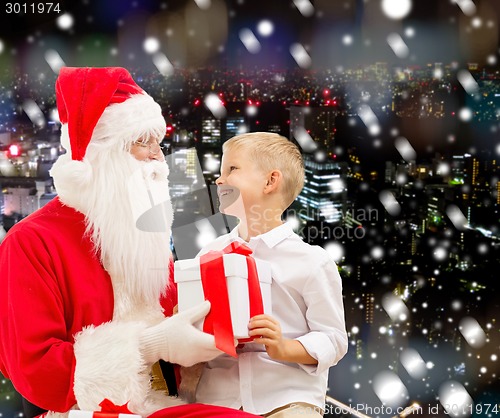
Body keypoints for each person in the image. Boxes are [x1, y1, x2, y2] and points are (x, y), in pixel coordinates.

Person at [0, 67, 259, 418]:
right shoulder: (30, 242)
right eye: (142, 142)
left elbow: (179, 322)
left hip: (173, 401)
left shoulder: (142, 235)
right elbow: (36, 374)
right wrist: (150, 346)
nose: (158, 156)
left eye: (159, 142)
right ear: (102, 153)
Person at [188, 132, 348, 417]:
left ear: (270, 181)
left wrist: (285, 347)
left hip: (286, 400)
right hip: (217, 400)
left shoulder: (312, 261)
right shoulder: (209, 255)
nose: (219, 179)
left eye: (232, 169)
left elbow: (333, 339)